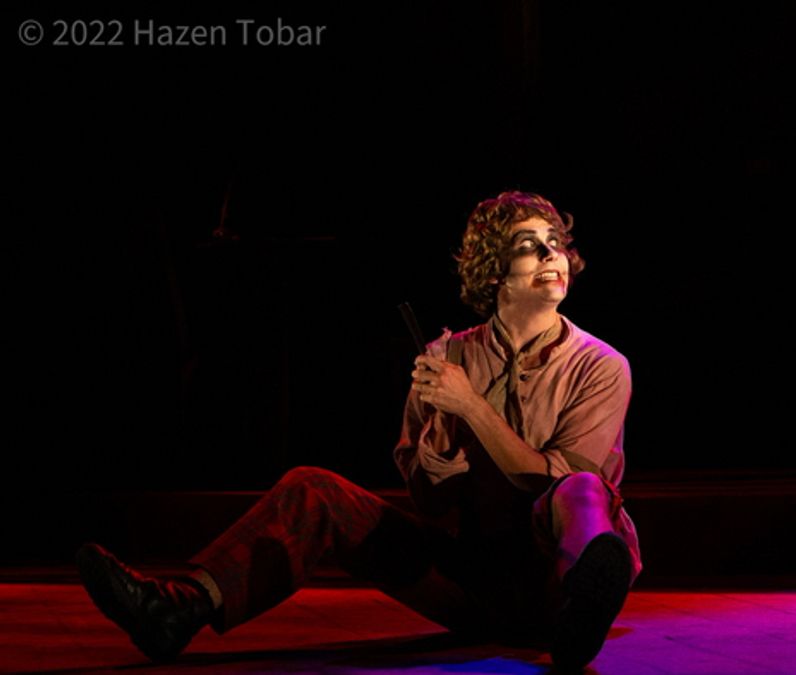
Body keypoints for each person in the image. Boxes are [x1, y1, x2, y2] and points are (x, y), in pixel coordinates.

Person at [77, 190, 642, 671]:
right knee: (313, 486)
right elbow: (430, 503)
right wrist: (439, 457)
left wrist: (472, 407)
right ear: (496, 268)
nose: (553, 255)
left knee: (578, 489)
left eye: (556, 243)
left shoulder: (600, 365)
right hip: (475, 581)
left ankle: (581, 612)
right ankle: (176, 610)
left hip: (550, 582)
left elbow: (545, 482)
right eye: (529, 245)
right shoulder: (447, 356)